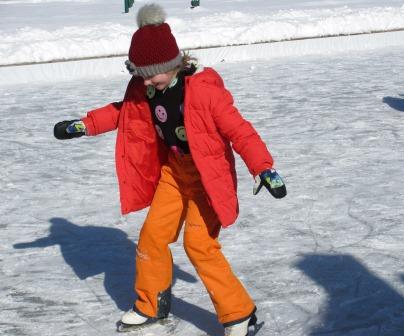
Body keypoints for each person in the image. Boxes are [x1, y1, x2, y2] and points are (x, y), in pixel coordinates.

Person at [53, 3, 286, 336]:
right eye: (141, 73)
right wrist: (84, 125)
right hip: (174, 174)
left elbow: (240, 131)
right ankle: (151, 304)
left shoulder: (204, 92)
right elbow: (122, 112)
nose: (148, 80)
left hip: (208, 177)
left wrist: (263, 167)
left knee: (199, 245)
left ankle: (240, 313)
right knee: (151, 238)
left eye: (153, 73)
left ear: (173, 64)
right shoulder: (145, 89)